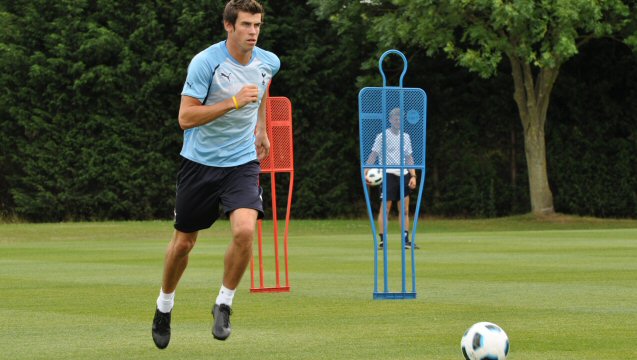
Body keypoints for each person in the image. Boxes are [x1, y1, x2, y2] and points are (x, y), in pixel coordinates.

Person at [151, 0, 279, 349]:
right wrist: (232, 103)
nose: (253, 32)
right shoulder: (205, 62)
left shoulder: (270, 62)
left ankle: (224, 302)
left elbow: (262, 91)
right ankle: (164, 306)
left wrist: (261, 130)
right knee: (184, 243)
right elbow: (185, 118)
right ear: (229, 26)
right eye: (246, 25)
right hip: (199, 164)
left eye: (258, 25)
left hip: (241, 162)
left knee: (244, 231)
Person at [365, 107, 419, 250]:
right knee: (386, 209)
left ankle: (406, 240)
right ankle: (382, 241)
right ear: (390, 120)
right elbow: (373, 155)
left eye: (400, 119)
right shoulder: (382, 136)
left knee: (405, 209)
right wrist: (366, 171)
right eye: (395, 118)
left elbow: (409, 158)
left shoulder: (406, 137)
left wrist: (413, 175)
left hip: (403, 174)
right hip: (388, 174)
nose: (398, 121)